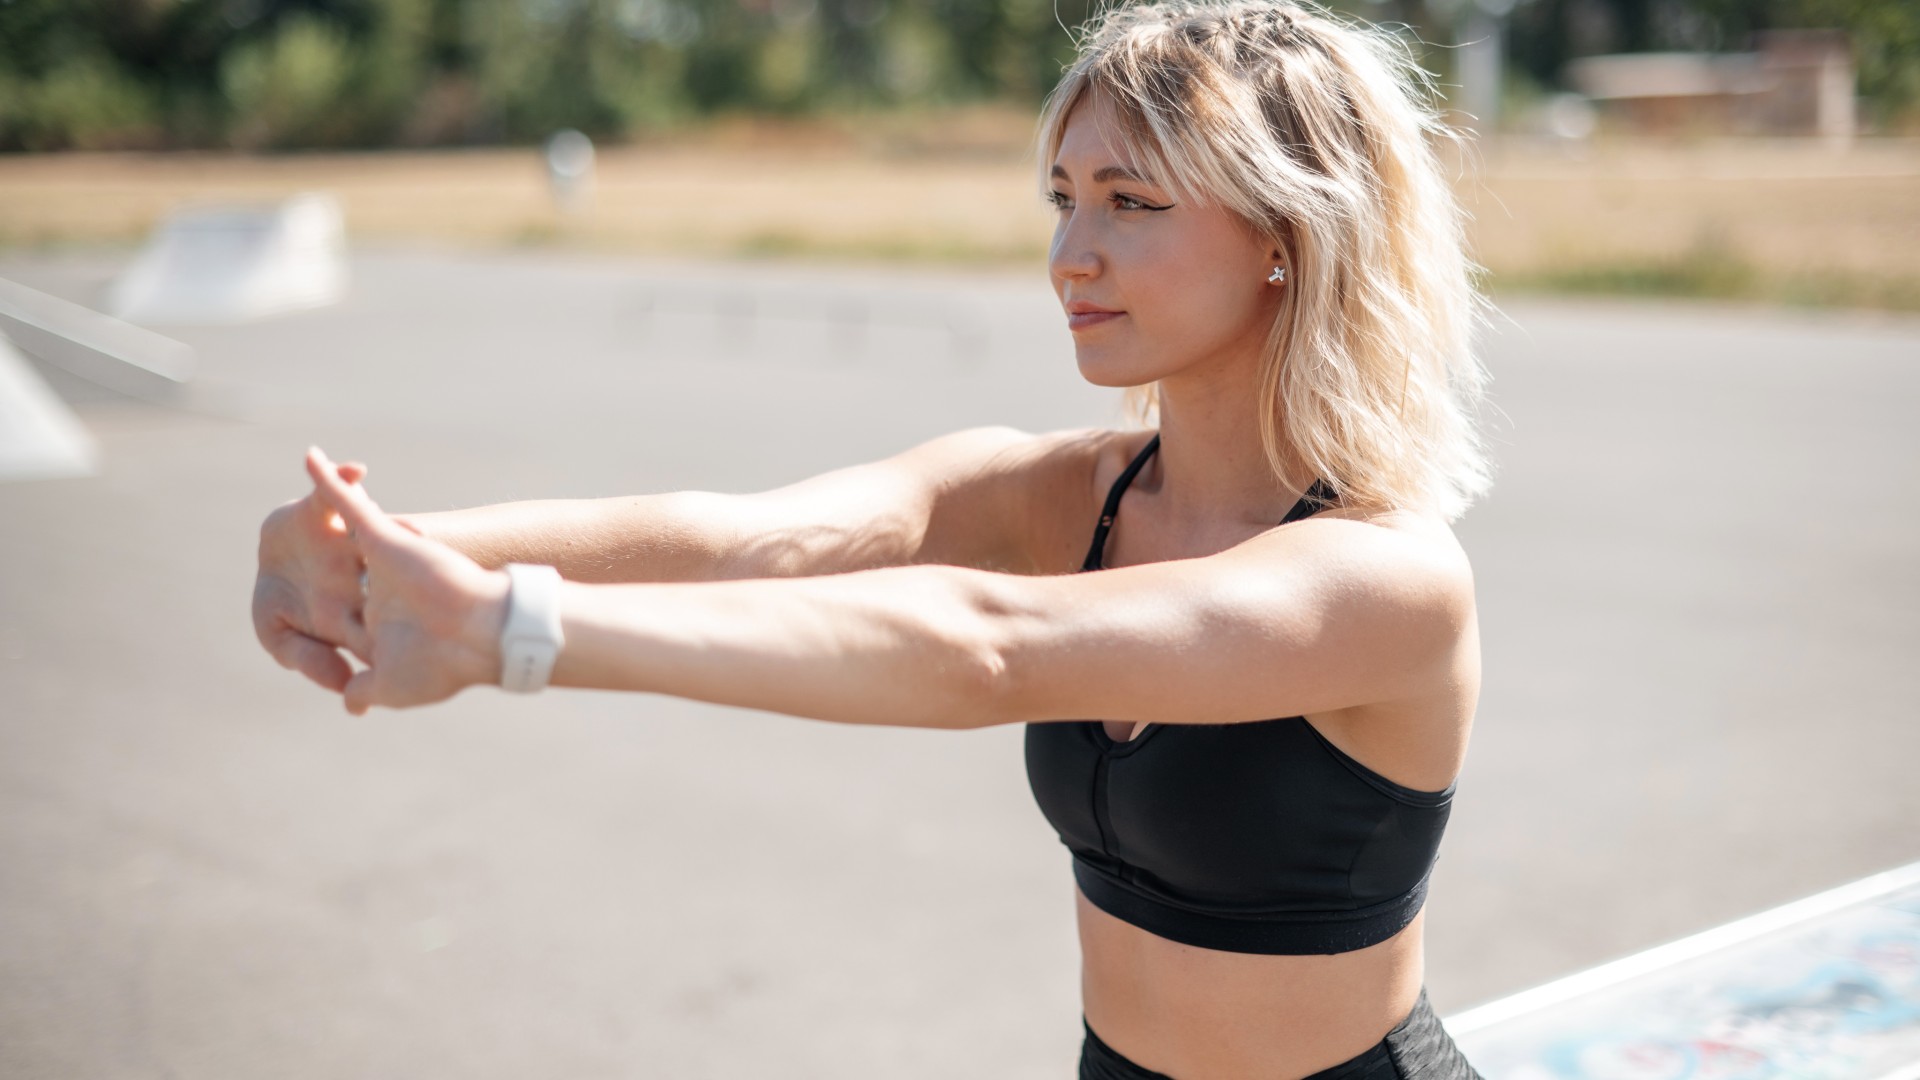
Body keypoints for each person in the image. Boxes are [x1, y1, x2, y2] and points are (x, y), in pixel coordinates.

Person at [253, 2, 1491, 1076]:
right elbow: (752, 539)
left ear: (1285, 236)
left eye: (1130, 202)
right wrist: (379, 545)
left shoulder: (1388, 579)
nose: (1071, 256)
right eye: (1063, 200)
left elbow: (988, 648)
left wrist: (507, 632)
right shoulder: (1073, 493)